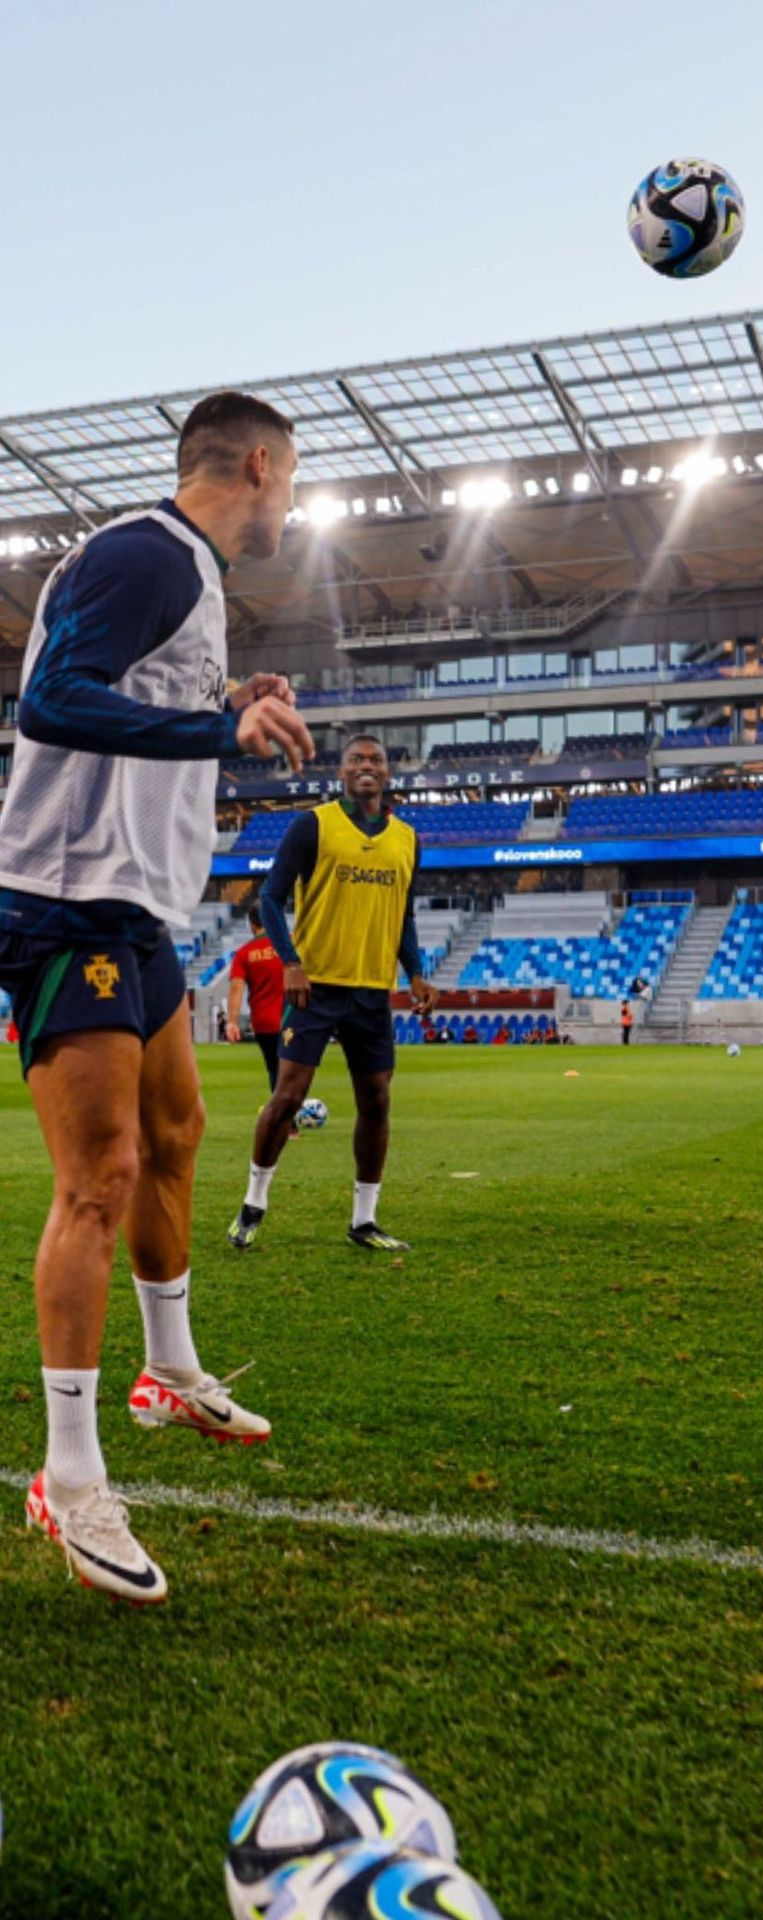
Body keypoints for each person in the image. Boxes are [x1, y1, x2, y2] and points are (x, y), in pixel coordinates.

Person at [0, 390, 313, 1602]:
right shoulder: (145, 553)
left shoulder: (190, 577)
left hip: (141, 909)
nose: (290, 500)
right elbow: (52, 702)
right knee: (99, 1181)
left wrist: (226, 707)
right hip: (66, 902)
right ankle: (69, 1478)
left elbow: (134, 705)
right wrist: (216, 734)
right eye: (290, 478)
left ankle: (167, 1370)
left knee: (180, 1130)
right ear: (257, 462)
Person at [227, 735, 437, 1254]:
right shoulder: (314, 825)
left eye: (377, 761)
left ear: (388, 774)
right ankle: (253, 1206)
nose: (367, 767)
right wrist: (291, 963)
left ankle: (364, 1220)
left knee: (378, 1101)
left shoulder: (408, 839)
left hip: (372, 991)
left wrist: (416, 972)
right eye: (357, 760)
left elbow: (403, 919)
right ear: (341, 772)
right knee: (288, 1096)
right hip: (315, 989)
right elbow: (270, 900)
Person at [227, 903, 286, 1092]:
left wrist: (232, 1022)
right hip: (293, 1018)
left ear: (252, 924)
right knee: (295, 1071)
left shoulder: (244, 953)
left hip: (264, 1023)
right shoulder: (291, 944)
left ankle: (282, 1117)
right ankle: (288, 1115)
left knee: (274, 1069)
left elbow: (237, 988)